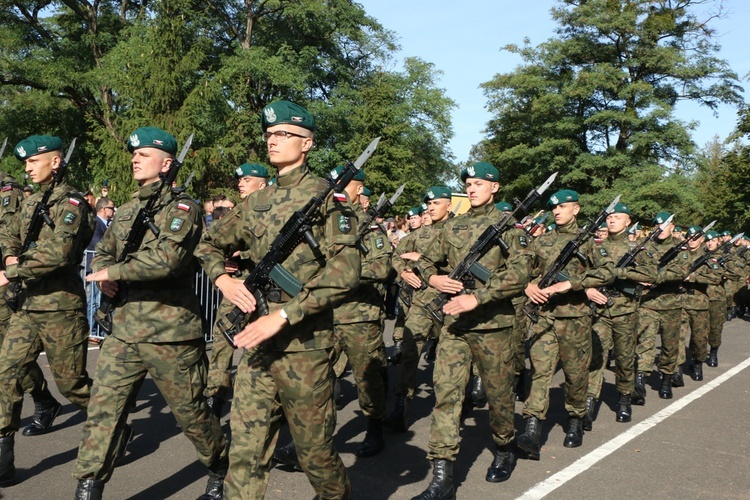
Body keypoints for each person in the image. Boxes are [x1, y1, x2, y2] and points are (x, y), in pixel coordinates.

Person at [195, 100, 360, 499]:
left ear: (307, 144)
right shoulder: (256, 200)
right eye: (270, 134)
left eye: (284, 134)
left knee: (313, 453)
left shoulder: (328, 199)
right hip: (257, 340)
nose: (273, 140)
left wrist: (285, 314)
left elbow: (346, 271)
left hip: (305, 345)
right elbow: (208, 244)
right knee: (246, 452)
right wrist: (223, 280)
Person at [73, 127, 227, 499]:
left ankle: (221, 464)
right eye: (134, 154)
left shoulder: (183, 208)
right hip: (124, 329)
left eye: (144, 153)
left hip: (169, 332)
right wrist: (106, 277)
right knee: (102, 413)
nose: (135, 158)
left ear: (167, 163)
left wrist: (115, 272)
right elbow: (106, 252)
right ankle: (88, 486)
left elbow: (169, 259)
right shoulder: (126, 210)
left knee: (191, 414)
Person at [411, 163, 530, 498]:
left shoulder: (510, 228)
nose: (472, 188)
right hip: (455, 325)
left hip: (494, 326)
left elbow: (520, 273)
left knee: (498, 396)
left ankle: (505, 447)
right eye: (468, 183)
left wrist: (477, 297)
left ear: (495, 187)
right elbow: (423, 260)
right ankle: (442, 476)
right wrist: (433, 278)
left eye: (479, 183)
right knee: (446, 396)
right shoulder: (453, 226)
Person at [0, 135, 95, 484]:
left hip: (60, 306)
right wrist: (11, 254)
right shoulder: (29, 201)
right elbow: (8, 233)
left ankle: (111, 420)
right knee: (5, 372)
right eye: (24, 163)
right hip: (27, 305)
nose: (26, 168)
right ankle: (3, 462)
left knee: (72, 385)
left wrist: (11, 270)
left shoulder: (71, 203)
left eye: (33, 161)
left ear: (55, 162)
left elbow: (60, 254)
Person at [517, 190, 619, 460]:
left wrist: (572, 284)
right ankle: (531, 428)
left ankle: (575, 418)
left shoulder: (588, 242)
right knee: (539, 373)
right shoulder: (542, 241)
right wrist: (528, 286)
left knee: (575, 375)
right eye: (555, 208)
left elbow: (608, 271)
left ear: (576, 209)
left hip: (575, 319)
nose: (557, 211)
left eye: (563, 206)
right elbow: (522, 269)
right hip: (545, 316)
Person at [0, 167, 62, 439]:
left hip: (5, 282)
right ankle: (44, 399)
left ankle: (43, 399)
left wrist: (11, 268)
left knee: (9, 354)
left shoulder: (8, 191)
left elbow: (10, 236)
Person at [204, 162, 269, 418]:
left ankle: (265, 402)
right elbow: (210, 242)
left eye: (247, 180)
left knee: (262, 347)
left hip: (269, 290)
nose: (240, 183)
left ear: (262, 184)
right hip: (239, 286)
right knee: (222, 340)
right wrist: (223, 266)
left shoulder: (273, 210)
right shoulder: (238, 212)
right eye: (239, 180)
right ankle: (215, 396)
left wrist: (243, 253)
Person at [584, 202, 656, 430]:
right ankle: (588, 401)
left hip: (625, 312)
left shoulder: (637, 249)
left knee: (625, 358)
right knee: (595, 357)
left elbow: (652, 274)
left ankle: (624, 398)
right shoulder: (595, 246)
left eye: (617, 217)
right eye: (609, 217)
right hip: (601, 312)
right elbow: (582, 273)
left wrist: (620, 273)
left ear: (628, 222)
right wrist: (588, 289)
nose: (612, 220)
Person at [632, 212, 690, 404]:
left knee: (669, 345)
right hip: (648, 303)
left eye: (664, 225)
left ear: (672, 226)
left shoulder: (680, 248)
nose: (660, 228)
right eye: (657, 225)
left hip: (671, 304)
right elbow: (635, 268)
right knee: (645, 343)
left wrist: (656, 276)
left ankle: (665, 379)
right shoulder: (645, 246)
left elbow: (681, 271)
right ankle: (640, 381)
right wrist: (641, 277)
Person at [85, 197, 116, 342]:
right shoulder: (96, 223)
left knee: (99, 300)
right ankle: (92, 331)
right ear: (104, 209)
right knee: (94, 301)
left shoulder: (108, 224)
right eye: (111, 208)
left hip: (103, 267)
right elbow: (98, 244)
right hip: (94, 267)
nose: (113, 210)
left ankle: (98, 331)